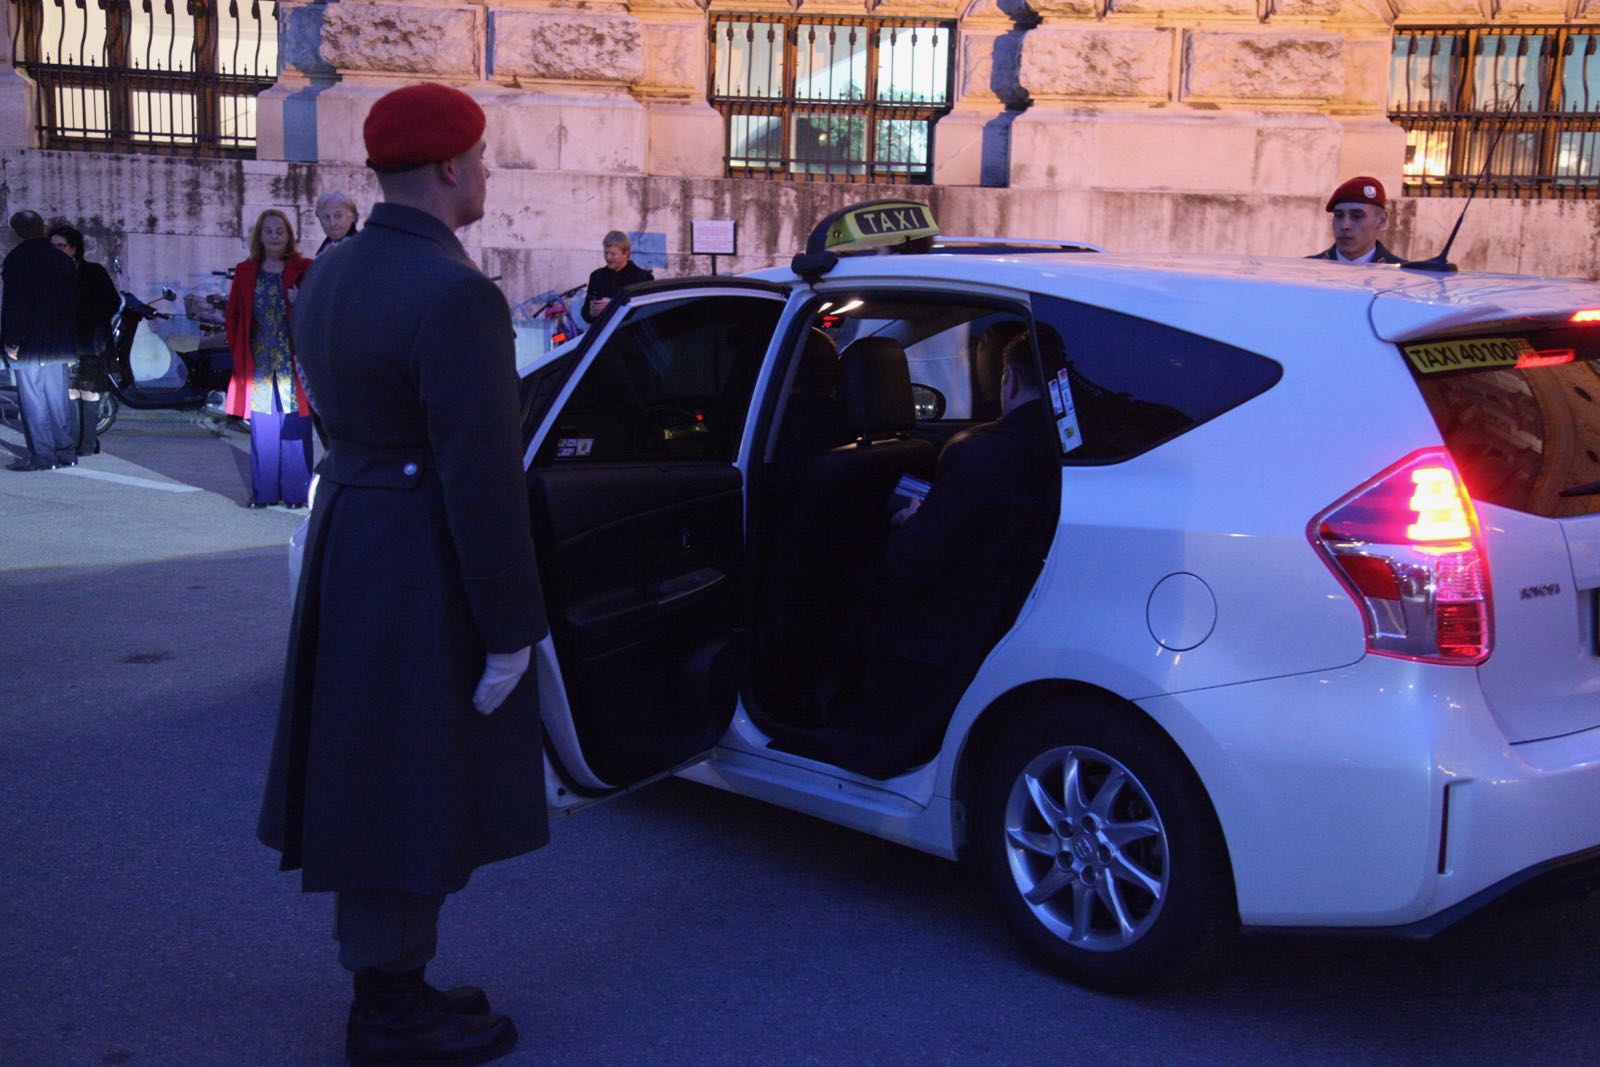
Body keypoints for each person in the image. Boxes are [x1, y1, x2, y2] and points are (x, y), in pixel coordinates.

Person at [258, 82, 547, 1067]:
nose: (487, 172)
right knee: (408, 778)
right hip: (418, 554)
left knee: (370, 769)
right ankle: (388, 1010)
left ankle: (397, 979)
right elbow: (483, 475)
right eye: (482, 157)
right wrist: (510, 627)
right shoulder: (455, 292)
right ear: (451, 166)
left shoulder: (334, 270)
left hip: (353, 532)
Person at [780, 334, 1059, 780]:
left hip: (945, 640)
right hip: (1003, 615)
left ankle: (827, 704)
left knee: (865, 585)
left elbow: (911, 563)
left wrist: (912, 521)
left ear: (1008, 381)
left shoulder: (982, 457)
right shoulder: (1063, 448)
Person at [224, 209, 314, 507]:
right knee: (263, 429)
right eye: (269, 231)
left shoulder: (305, 269)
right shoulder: (246, 270)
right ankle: (264, 494)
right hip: (259, 362)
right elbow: (234, 314)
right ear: (259, 237)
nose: (274, 236)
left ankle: (296, 494)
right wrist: (237, 351)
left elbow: (318, 310)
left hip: (292, 362)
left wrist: (301, 302)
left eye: (280, 231)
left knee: (294, 428)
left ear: (289, 236)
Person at [2, 210, 79, 471]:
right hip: (59, 340)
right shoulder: (62, 260)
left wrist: (12, 340)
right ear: (42, 228)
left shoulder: (16, 259)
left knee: (33, 399)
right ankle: (66, 452)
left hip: (30, 341)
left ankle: (44, 456)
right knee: (58, 399)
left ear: (17, 233)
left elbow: (15, 305)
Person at [49, 224, 121, 458]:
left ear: (73, 248)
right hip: (64, 342)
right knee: (70, 391)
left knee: (89, 391)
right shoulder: (51, 274)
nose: (56, 250)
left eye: (61, 246)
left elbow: (111, 302)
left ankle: (87, 443)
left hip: (90, 342)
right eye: (53, 246)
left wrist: (83, 316)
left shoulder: (93, 272)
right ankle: (75, 442)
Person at [1308, 176, 1404, 264]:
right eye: (1338, 216)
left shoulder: (1404, 274)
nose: (1345, 226)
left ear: (1382, 220)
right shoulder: (1308, 269)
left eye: (1357, 216)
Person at [580, 229, 653, 323]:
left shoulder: (643, 278)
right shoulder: (596, 276)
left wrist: (613, 305)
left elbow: (646, 314)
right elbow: (586, 312)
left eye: (613, 254)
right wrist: (591, 313)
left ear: (626, 253)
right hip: (604, 332)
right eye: (606, 253)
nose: (608, 257)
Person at [314, 189, 360, 256]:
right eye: (326, 217)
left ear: (352, 217)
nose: (332, 223)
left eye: (338, 216)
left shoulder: (360, 249)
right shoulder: (326, 247)